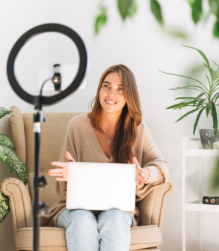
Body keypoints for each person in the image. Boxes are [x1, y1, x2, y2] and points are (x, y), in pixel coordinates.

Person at [41, 64, 170, 251]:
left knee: (115, 219)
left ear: (129, 96)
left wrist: (145, 174)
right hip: (75, 211)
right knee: (82, 220)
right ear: (99, 89)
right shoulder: (77, 126)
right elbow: (63, 191)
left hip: (118, 212)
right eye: (106, 86)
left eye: (120, 89)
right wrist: (74, 175)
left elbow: (162, 167)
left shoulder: (137, 128)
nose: (111, 94)